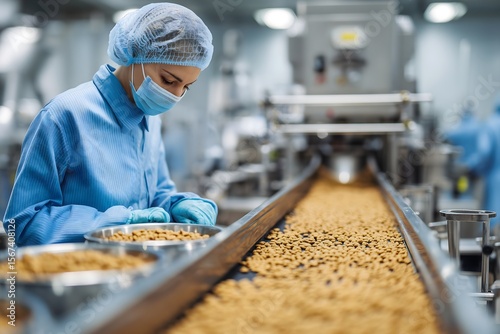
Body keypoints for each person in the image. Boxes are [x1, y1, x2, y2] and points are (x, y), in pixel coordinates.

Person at [3, 3, 218, 246]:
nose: (175, 96)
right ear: (134, 57)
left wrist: (177, 204)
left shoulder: (150, 119)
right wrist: (118, 222)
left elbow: (155, 195)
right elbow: (21, 224)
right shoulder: (64, 116)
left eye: (186, 87)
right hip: (78, 273)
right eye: (168, 80)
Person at [445, 97, 500, 229]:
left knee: (493, 220)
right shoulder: (478, 126)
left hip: (494, 179)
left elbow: (484, 152)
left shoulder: (491, 124)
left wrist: (468, 166)